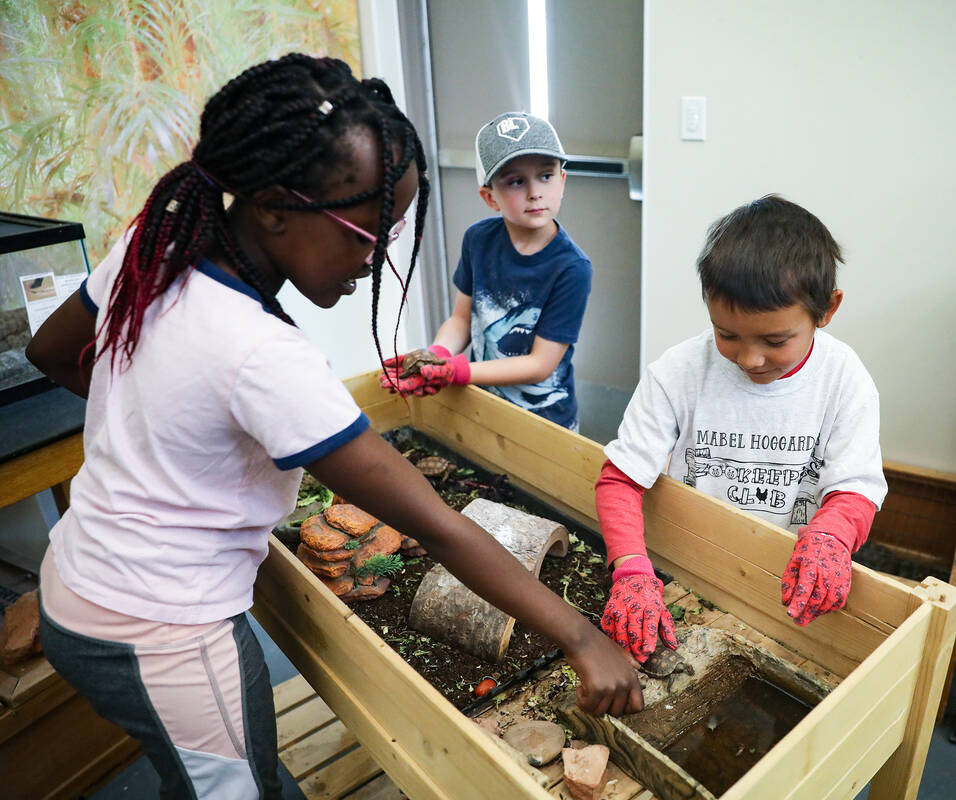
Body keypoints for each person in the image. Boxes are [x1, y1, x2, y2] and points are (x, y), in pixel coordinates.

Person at [25, 55, 641, 800]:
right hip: (163, 629)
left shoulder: (153, 245)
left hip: (78, 576)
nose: (377, 255)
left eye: (394, 230)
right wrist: (581, 636)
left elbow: (51, 351)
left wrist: (157, 425)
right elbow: (440, 528)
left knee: (193, 771)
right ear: (274, 206)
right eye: (363, 231)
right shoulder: (263, 356)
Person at [594, 195, 887, 663]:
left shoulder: (844, 379)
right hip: (685, 571)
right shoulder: (679, 372)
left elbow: (856, 487)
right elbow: (620, 480)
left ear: (827, 310)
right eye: (726, 334)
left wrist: (831, 537)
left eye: (775, 341)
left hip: (786, 577)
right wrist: (631, 568)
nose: (750, 359)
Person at [379, 111, 591, 431]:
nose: (535, 192)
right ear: (489, 197)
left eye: (545, 176)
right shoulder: (478, 240)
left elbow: (540, 364)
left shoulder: (572, 268)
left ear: (562, 180)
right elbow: (461, 319)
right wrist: (435, 356)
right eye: (516, 181)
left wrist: (455, 372)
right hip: (483, 403)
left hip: (545, 420)